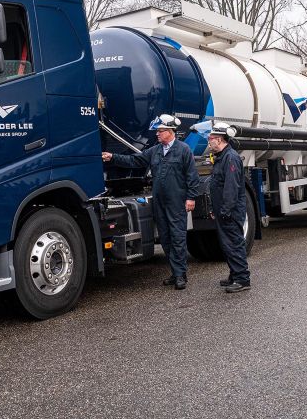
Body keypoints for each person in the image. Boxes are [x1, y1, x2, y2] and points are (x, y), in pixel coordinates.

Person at [102, 114, 201, 290]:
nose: (157, 134)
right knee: (165, 239)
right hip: (160, 203)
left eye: (160, 131)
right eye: (157, 131)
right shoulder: (155, 150)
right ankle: (175, 272)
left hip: (177, 202)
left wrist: (191, 197)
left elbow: (192, 177)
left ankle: (180, 275)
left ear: (170, 132)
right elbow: (134, 160)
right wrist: (113, 157)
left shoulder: (183, 150)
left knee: (177, 238)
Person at [206, 122, 251, 293]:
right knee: (227, 244)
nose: (209, 141)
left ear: (219, 139)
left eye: (211, 138)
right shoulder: (222, 157)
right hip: (223, 210)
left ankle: (242, 279)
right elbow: (217, 186)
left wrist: (225, 210)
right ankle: (235, 274)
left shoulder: (230, 157)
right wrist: (214, 208)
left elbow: (231, 188)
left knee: (234, 243)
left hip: (230, 212)